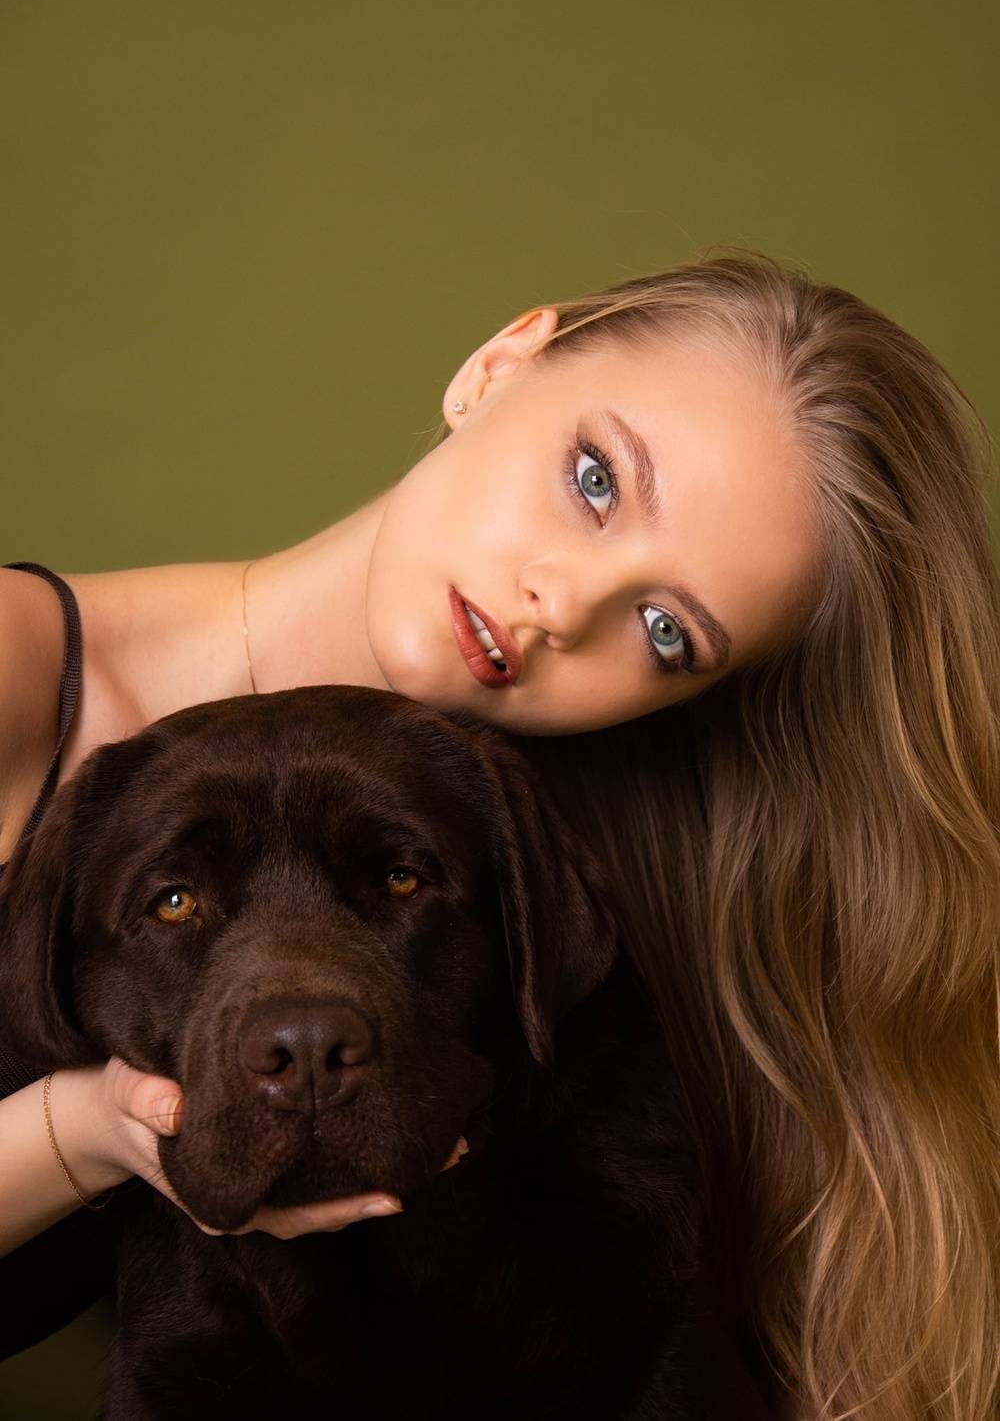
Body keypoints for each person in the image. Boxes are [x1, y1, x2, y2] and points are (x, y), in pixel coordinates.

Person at [0, 250, 996, 1419]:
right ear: (497, 365)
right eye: (594, 479)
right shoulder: (17, 677)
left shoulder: (521, 878)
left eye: (664, 630)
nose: (562, 605)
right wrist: (80, 1133)